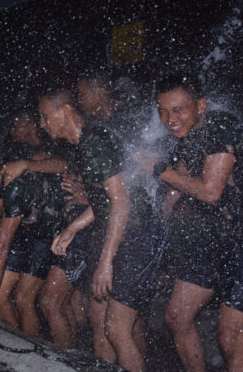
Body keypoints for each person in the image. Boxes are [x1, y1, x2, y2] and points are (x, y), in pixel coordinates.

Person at [138, 75, 243, 372]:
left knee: (230, 341)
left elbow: (211, 192)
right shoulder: (187, 135)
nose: (170, 119)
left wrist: (159, 169)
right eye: (163, 111)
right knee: (176, 318)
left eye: (178, 110)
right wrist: (158, 223)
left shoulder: (220, 128)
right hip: (212, 239)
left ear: (201, 105)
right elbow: (179, 185)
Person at [38, 89, 156, 372]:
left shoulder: (94, 143)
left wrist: (105, 263)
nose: (42, 123)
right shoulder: (85, 143)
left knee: (117, 329)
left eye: (45, 116)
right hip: (117, 232)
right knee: (98, 320)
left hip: (135, 236)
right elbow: (104, 201)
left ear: (65, 111)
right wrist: (72, 229)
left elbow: (122, 203)